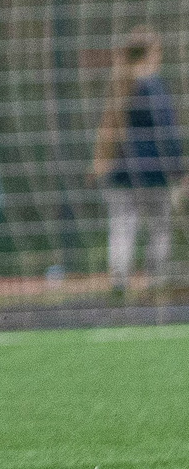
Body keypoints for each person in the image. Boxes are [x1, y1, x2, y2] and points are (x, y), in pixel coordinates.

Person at [95, 30, 181, 293]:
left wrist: (101, 162)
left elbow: (108, 130)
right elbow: (167, 132)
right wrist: (178, 169)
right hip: (153, 171)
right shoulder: (154, 86)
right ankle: (155, 280)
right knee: (159, 227)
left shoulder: (119, 84)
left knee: (122, 225)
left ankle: (119, 281)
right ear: (151, 53)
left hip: (122, 170)